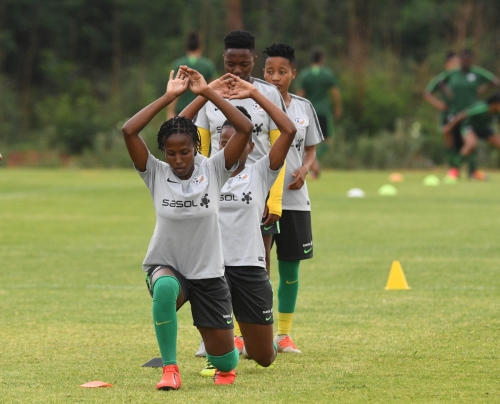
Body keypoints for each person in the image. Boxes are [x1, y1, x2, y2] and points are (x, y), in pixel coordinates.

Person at [121, 68, 253, 390]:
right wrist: (169, 97)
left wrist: (207, 93)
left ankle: (223, 359)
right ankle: (170, 369)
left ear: (196, 147)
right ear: (163, 153)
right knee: (165, 288)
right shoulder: (155, 172)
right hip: (168, 267)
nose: (178, 159)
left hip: (208, 274)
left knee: (225, 361)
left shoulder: (214, 168)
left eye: (185, 151)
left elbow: (245, 128)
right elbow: (129, 131)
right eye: (171, 152)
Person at [181, 67, 297, 374]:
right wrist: (205, 94)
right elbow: (176, 127)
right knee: (180, 291)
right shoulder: (203, 169)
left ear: (249, 145)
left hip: (248, 268)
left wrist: (257, 93)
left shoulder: (260, 173)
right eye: (224, 141)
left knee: (264, 358)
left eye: (237, 142)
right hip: (211, 268)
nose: (228, 148)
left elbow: (288, 131)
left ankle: (254, 342)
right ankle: (218, 354)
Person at [263, 43, 324, 353]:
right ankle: (245, 334)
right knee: (254, 269)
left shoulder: (303, 107)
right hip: (259, 199)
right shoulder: (253, 104)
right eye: (270, 71)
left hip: (295, 200)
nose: (275, 77)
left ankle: (283, 335)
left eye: (282, 72)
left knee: (290, 269)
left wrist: (305, 168)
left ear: (293, 74)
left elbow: (311, 147)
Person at [424, 49, 500, 180]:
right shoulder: (451, 74)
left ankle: (472, 172)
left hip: (477, 121)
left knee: (475, 144)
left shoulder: (477, 73)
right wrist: (440, 105)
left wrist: (481, 91)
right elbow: (429, 91)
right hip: (460, 117)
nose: (466, 62)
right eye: (463, 60)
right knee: (463, 144)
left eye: (469, 60)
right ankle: (454, 170)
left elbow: (495, 81)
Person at [296, 47, 342, 178]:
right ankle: (313, 160)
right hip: (323, 111)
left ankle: (312, 161)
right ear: (322, 59)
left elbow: (300, 94)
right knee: (327, 141)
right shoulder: (327, 74)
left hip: (308, 111)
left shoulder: (305, 74)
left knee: (309, 141)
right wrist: (338, 108)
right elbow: (335, 92)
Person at [443, 91, 500, 175]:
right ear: (495, 103)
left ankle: (472, 173)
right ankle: (454, 169)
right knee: (471, 144)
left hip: (483, 128)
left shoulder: (497, 113)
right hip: (469, 125)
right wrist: (449, 126)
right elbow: (463, 115)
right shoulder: (482, 108)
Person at [166, 32, 216, 120]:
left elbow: (172, 91)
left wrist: (170, 112)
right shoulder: (208, 65)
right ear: (201, 46)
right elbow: (213, 90)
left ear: (186, 47)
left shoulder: (178, 64)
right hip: (201, 111)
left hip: (181, 111)